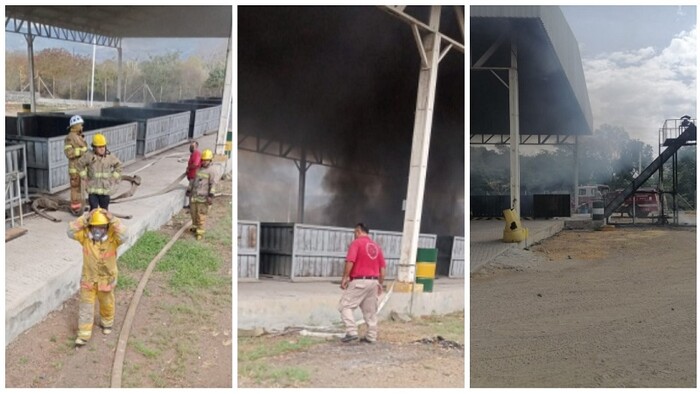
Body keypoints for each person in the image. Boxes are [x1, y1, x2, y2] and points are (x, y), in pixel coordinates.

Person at [67, 208, 127, 346]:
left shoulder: (113, 239)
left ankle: (107, 323)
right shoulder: (85, 238)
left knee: (107, 302)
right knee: (86, 306)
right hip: (89, 279)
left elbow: (125, 235)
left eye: (101, 227)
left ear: (107, 227)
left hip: (106, 279)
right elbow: (70, 232)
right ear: (91, 226)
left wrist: (113, 219)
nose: (98, 231)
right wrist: (84, 218)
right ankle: (83, 335)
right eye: (95, 227)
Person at [338, 223, 386, 344]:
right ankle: (371, 335)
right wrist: (380, 283)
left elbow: (350, 261)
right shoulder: (376, 246)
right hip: (373, 281)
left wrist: (345, 277)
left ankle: (351, 331)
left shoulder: (356, 243)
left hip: (360, 280)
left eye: (355, 233)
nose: (354, 235)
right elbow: (383, 268)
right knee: (370, 311)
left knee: (345, 306)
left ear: (358, 231)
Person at [77, 133, 122, 211]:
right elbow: (79, 165)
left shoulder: (109, 157)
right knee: (93, 210)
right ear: (94, 148)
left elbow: (119, 166)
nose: (102, 149)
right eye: (99, 147)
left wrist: (113, 178)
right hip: (92, 190)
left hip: (105, 191)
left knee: (104, 211)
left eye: (103, 146)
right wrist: (84, 176)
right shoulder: (89, 156)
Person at [186, 149, 217, 240]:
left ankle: (200, 232)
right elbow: (193, 180)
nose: (204, 162)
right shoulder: (198, 169)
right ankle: (195, 227)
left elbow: (213, 184)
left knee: (201, 215)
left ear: (210, 160)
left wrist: (211, 196)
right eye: (203, 160)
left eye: (206, 160)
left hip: (203, 198)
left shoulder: (212, 171)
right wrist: (189, 190)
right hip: (194, 196)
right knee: (194, 213)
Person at [64, 115, 89, 216]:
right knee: (76, 189)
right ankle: (75, 209)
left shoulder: (78, 136)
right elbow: (69, 153)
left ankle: (80, 206)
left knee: (81, 188)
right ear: (75, 126)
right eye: (80, 125)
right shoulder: (70, 138)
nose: (82, 127)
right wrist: (82, 151)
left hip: (80, 168)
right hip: (75, 169)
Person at [184, 140, 201, 209]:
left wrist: (188, 167)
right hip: (192, 175)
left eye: (192, 146)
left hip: (195, 176)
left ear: (196, 147)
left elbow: (195, 164)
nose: (191, 147)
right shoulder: (193, 154)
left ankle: (192, 206)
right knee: (191, 191)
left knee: (192, 191)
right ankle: (191, 205)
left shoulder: (197, 154)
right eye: (190, 145)